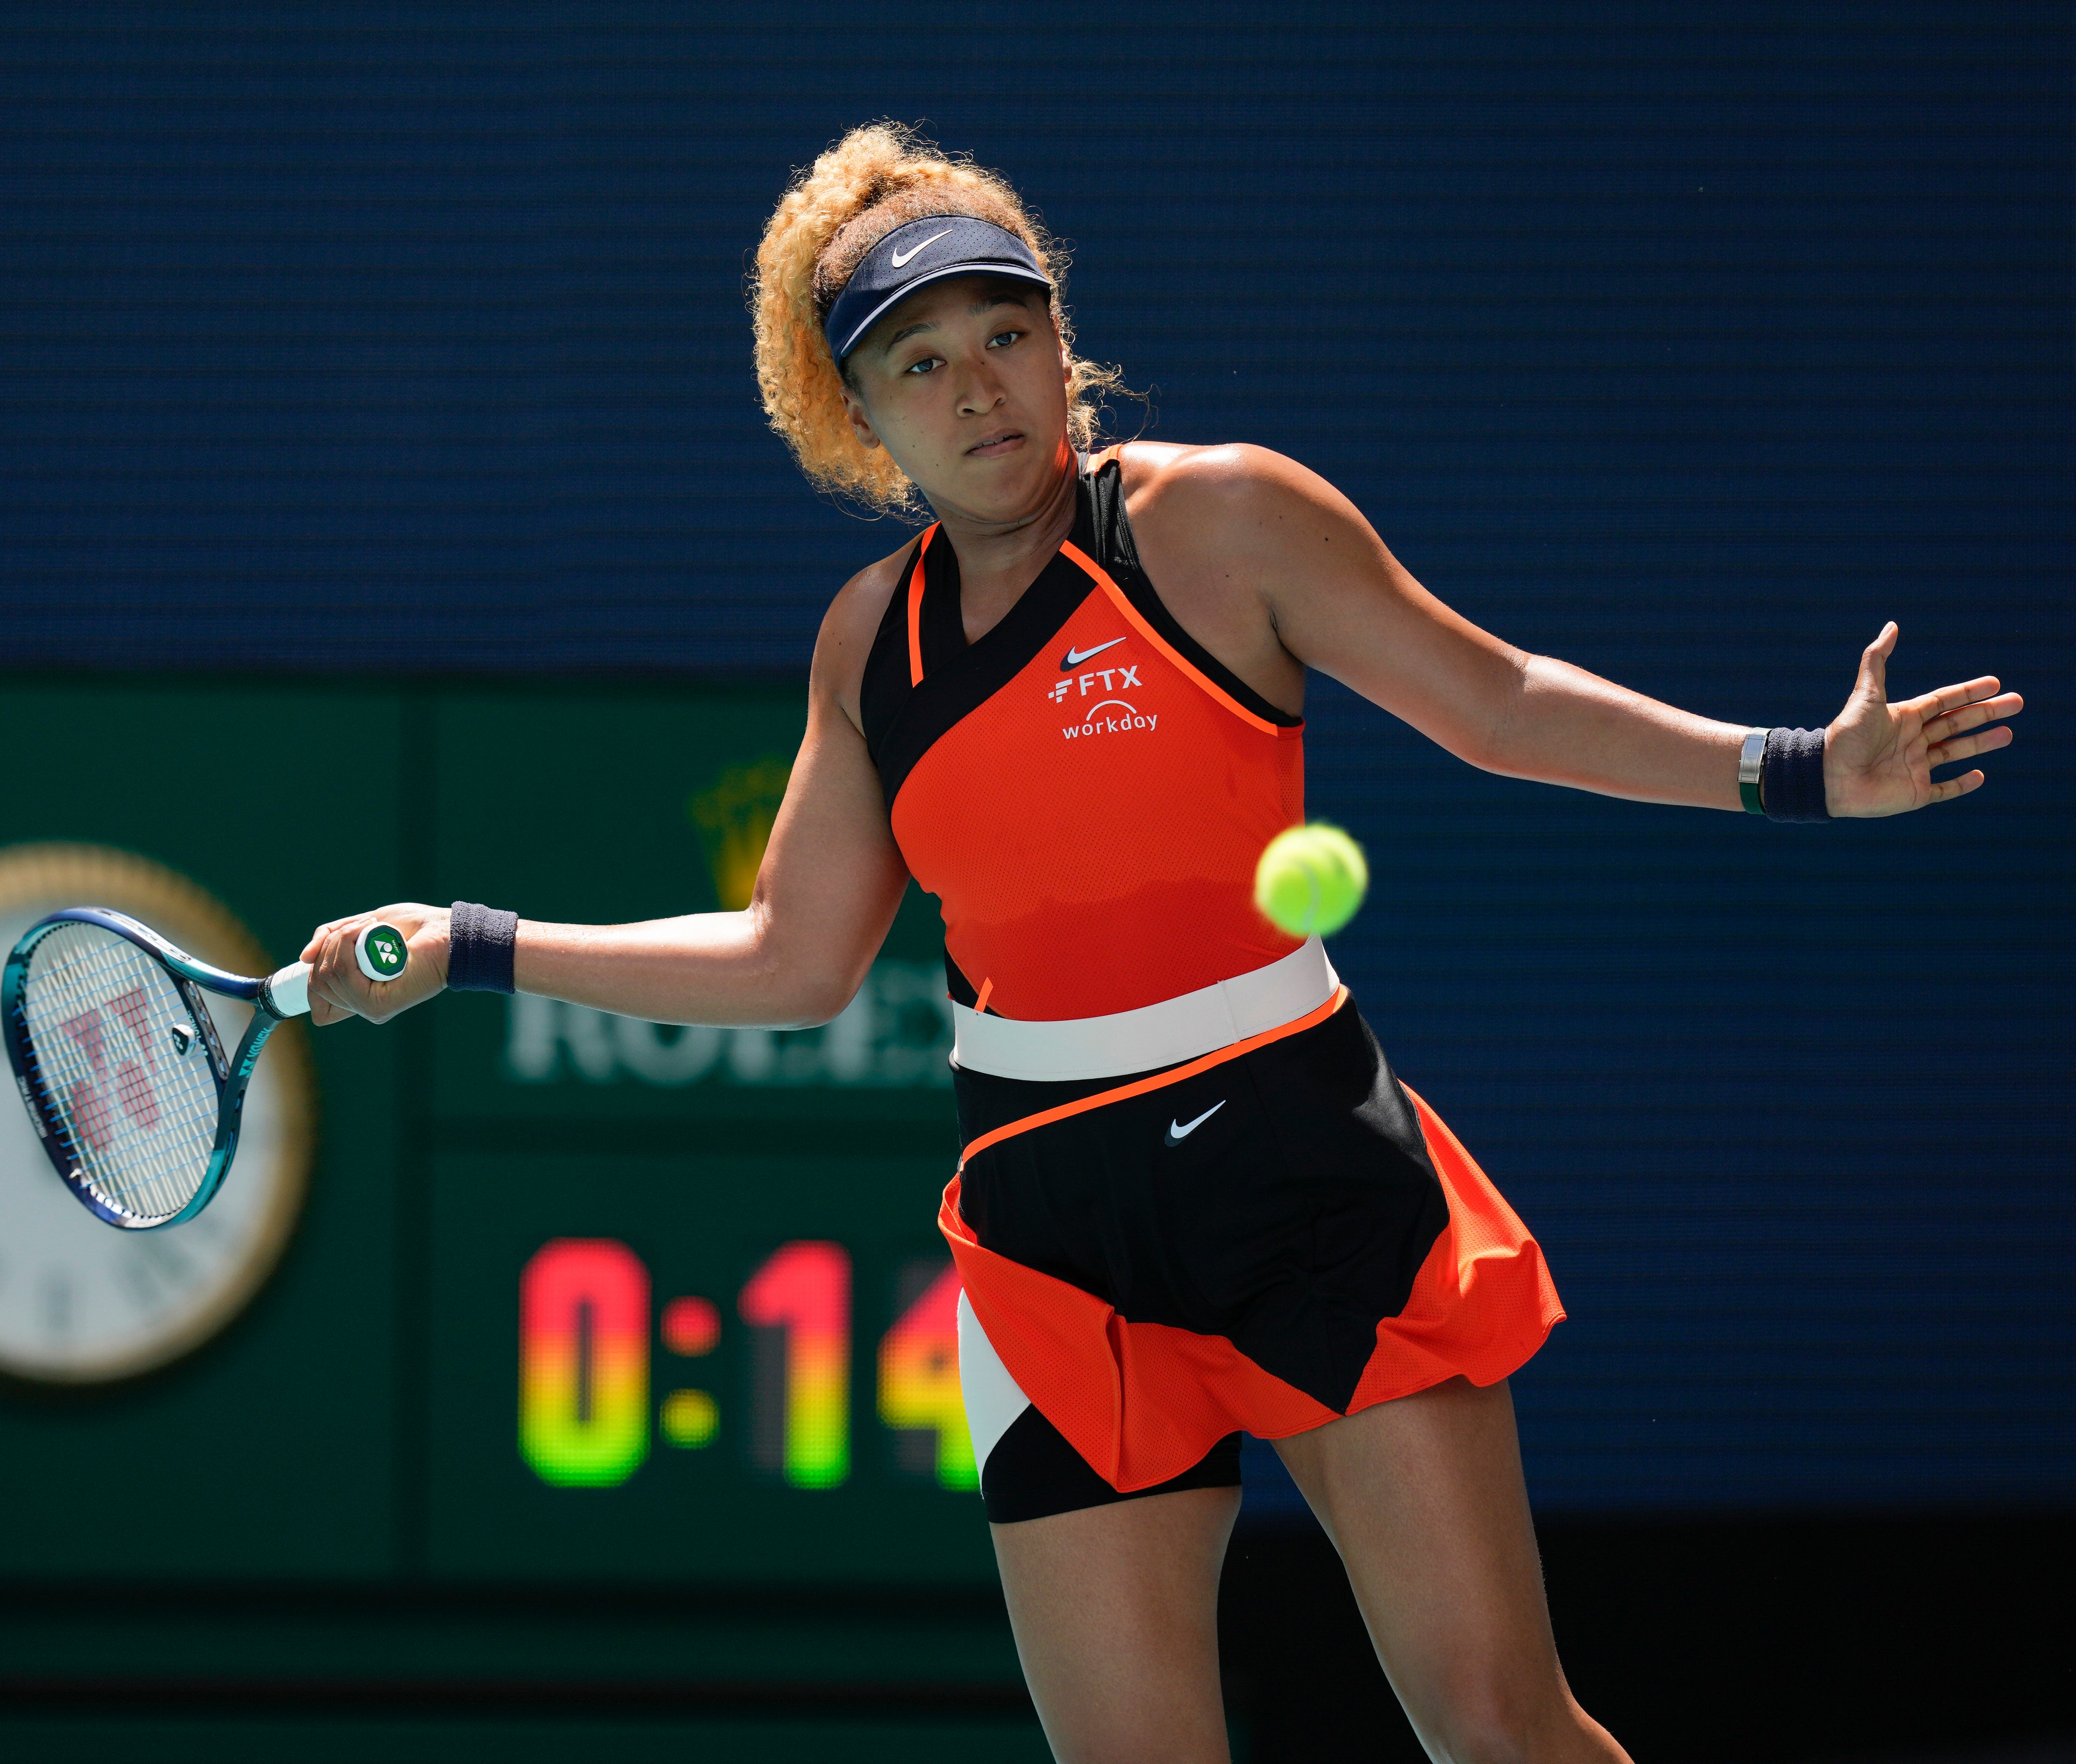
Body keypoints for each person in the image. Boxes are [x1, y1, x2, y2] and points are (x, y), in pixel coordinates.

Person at [295, 123, 2020, 1763]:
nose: (978, 385)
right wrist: (474, 942)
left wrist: (1794, 773)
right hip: (1051, 1225)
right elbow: (790, 960)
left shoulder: (1219, 523)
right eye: (920, 363)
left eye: (1007, 330)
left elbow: (1496, 706)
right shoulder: (865, 646)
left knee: (1495, 1724)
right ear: (859, 420)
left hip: (1299, 1169)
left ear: (1062, 341)